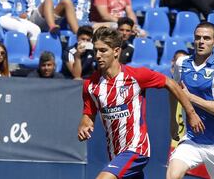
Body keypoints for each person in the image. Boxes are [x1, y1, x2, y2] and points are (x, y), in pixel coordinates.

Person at [77, 27, 204, 179]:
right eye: (96, 51)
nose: (98, 55)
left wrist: (191, 113)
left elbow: (170, 83)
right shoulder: (91, 85)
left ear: (116, 51)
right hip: (115, 153)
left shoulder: (136, 76)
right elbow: (88, 113)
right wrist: (84, 124)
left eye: (103, 50)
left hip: (136, 148)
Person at [167, 22, 214, 179]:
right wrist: (173, 119)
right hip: (192, 140)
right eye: (198, 38)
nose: (201, 42)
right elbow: (174, 91)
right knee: (172, 174)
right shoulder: (182, 63)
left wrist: (190, 97)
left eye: (206, 38)